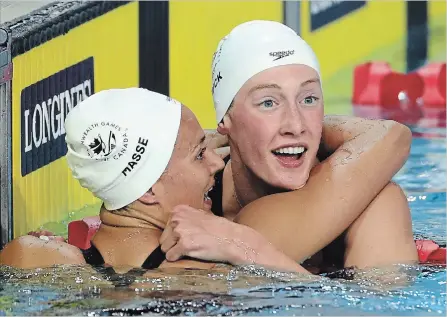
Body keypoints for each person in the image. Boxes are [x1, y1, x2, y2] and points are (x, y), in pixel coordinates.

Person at [160, 20, 418, 273]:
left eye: (309, 99)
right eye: (269, 103)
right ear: (225, 119)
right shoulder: (194, 189)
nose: (295, 126)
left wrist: (247, 249)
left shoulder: (375, 205)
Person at [0, 88, 309, 273]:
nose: (217, 162)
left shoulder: (31, 255)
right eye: (200, 154)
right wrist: (249, 248)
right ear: (148, 190)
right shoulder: (199, 276)